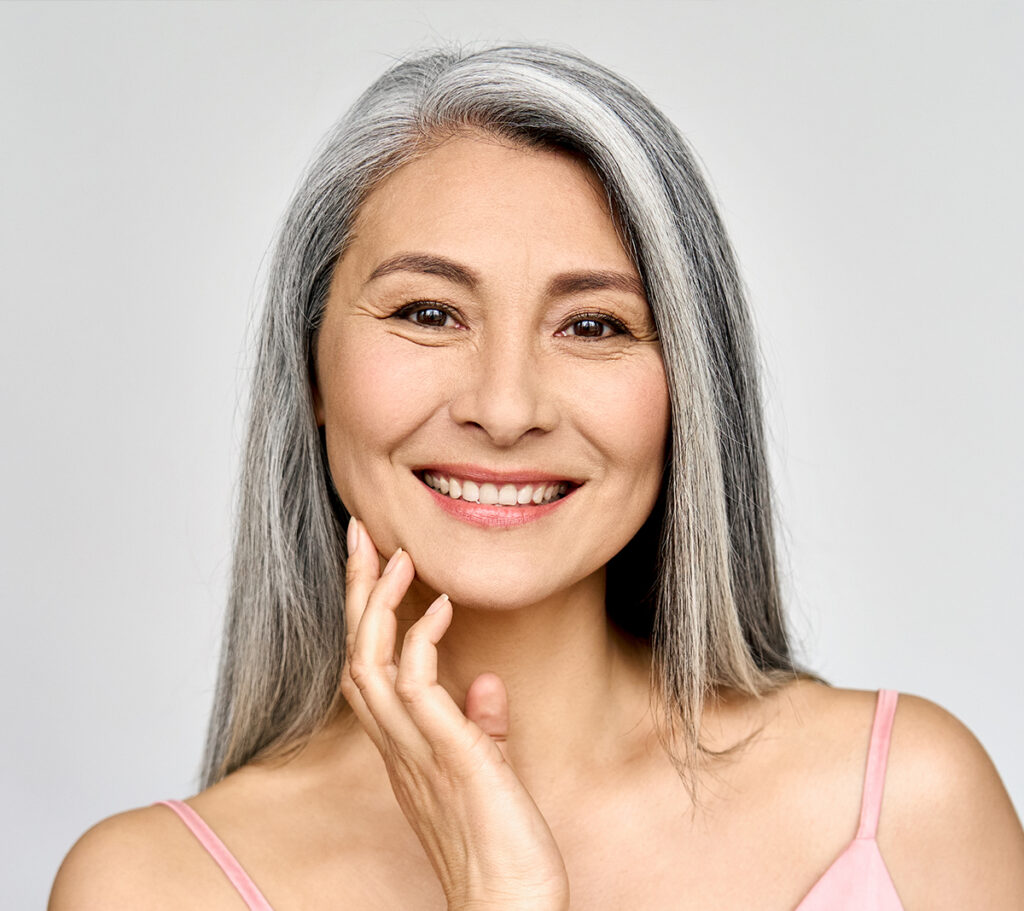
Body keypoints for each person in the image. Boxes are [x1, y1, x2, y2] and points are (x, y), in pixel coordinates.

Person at [49, 42, 1024, 911]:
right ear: (310, 368)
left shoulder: (905, 803)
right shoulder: (152, 887)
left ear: (688, 387)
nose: (506, 406)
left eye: (593, 325)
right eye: (428, 312)